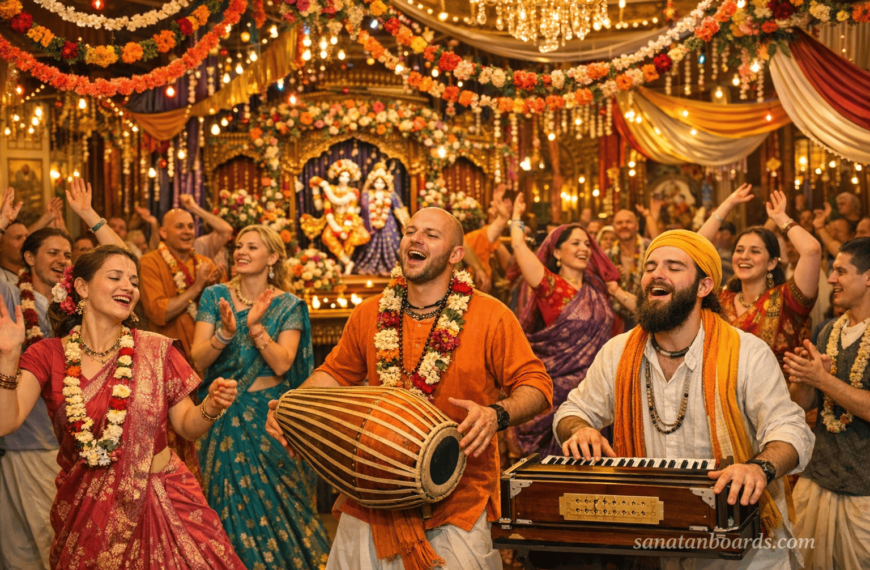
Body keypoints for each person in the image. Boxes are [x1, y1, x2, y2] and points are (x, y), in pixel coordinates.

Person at [265, 207, 553, 570]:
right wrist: (292, 409)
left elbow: (537, 385)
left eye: (431, 235)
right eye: (410, 231)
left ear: (455, 255)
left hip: (457, 500)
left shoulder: (490, 315)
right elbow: (335, 374)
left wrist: (494, 416)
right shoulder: (369, 313)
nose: (415, 239)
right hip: (370, 495)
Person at [554, 230, 815, 570]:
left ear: (704, 287)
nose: (657, 274)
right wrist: (580, 429)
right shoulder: (618, 352)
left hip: (743, 548)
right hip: (652, 543)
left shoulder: (746, 353)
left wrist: (758, 468)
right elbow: (572, 410)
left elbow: (790, 428)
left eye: (673, 267)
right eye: (650, 266)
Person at [0, 244, 246, 569]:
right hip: (90, 512)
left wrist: (211, 406)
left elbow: (186, 424)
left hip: (165, 501)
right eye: (115, 277)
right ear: (82, 287)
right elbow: (7, 421)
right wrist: (7, 358)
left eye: (133, 280)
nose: (128, 286)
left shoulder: (156, 351)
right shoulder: (48, 354)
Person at [0, 181, 132, 570]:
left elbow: (123, 265)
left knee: (53, 543)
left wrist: (90, 216)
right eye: (52, 252)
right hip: (17, 433)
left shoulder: (83, 304)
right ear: (28, 257)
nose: (61, 259)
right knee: (17, 549)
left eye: (67, 254)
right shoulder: (11, 293)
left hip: (62, 441)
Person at [190, 225, 330, 569]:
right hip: (221, 414)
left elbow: (283, 363)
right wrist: (224, 333)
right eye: (239, 246)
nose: (241, 251)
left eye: (252, 247)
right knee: (224, 503)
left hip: (268, 417)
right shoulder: (215, 296)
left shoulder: (288, 305)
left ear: (272, 257)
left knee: (283, 500)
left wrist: (255, 327)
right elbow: (198, 358)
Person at [508, 194, 629, 456]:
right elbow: (518, 247)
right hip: (560, 391)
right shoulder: (550, 285)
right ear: (558, 252)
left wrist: (617, 291)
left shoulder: (597, 288)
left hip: (600, 388)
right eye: (575, 243)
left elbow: (634, 314)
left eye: (587, 243)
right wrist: (516, 217)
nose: (584, 248)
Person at [785, 237, 870, 570]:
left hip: (864, 490)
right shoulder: (827, 331)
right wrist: (803, 378)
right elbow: (805, 404)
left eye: (840, 271)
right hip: (818, 479)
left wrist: (823, 380)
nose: (831, 279)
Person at [700, 186, 821, 372]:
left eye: (755, 251)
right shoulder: (721, 298)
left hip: (776, 397)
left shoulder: (787, 300)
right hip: (721, 395)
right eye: (739, 250)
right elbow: (693, 250)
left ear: (772, 263)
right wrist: (727, 204)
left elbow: (811, 250)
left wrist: (780, 217)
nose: (744, 256)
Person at [138, 206, 224, 359]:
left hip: (204, 355)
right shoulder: (149, 262)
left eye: (191, 227)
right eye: (179, 226)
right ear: (163, 232)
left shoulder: (206, 264)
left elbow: (221, 315)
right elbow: (158, 312)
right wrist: (197, 287)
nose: (187, 231)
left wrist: (210, 288)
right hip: (167, 356)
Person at [355, 162, 411, 276]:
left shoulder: (391, 195)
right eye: (376, 182)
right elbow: (363, 207)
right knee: (370, 247)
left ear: (386, 183)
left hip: (388, 224)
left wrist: (406, 226)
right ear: (372, 182)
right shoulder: (367, 195)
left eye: (382, 182)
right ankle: (369, 267)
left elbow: (399, 209)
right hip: (372, 225)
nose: (379, 184)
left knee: (390, 245)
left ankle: (390, 268)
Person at [607, 209, 649, 331]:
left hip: (648, 318)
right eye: (619, 223)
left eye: (628, 222)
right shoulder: (608, 256)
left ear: (636, 226)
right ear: (614, 228)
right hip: (618, 323)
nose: (624, 226)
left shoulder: (649, 249)